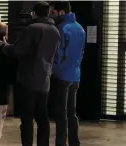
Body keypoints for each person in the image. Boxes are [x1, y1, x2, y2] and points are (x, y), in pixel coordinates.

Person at [0, 2, 60, 146]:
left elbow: (18, 50)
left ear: (34, 13)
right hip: (45, 81)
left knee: (27, 119)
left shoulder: (32, 29)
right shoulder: (55, 31)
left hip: (28, 80)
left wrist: (5, 46)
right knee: (42, 117)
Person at [49, 2, 86, 146]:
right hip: (75, 75)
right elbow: (81, 53)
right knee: (71, 112)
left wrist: (53, 70)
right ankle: (74, 142)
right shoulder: (80, 28)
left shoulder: (61, 29)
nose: (52, 14)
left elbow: (57, 55)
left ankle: (60, 143)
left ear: (61, 12)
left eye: (54, 12)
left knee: (61, 113)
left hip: (61, 76)